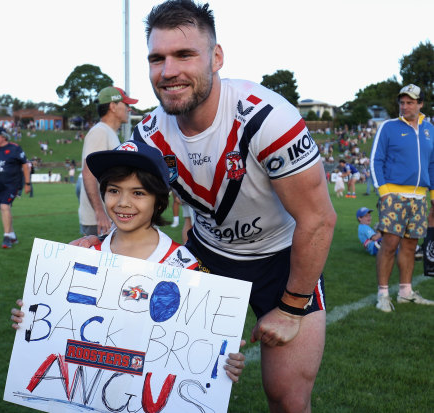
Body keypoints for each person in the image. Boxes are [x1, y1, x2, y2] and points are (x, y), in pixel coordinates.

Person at [73, 2, 336, 411]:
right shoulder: (149, 133)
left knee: (288, 398)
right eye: (157, 58)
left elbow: (318, 219)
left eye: (184, 54)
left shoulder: (268, 119)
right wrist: (100, 243)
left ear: (216, 57)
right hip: (206, 255)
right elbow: (119, 191)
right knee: (169, 382)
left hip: (281, 257)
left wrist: (289, 308)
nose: (168, 70)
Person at [11, 140, 246, 382]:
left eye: (138, 193)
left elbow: (202, 345)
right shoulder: (83, 255)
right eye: (114, 190)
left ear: (159, 199)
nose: (123, 202)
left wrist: (224, 358)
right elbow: (55, 326)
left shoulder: (187, 267)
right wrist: (30, 319)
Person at [370, 83, 434, 312]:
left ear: (420, 104)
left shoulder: (429, 130)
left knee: (410, 246)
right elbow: (376, 159)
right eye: (402, 102)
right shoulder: (388, 127)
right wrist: (384, 192)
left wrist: (433, 195)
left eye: (409, 102)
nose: (404, 106)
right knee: (389, 244)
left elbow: (432, 164)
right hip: (394, 196)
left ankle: (406, 292)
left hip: (420, 199)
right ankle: (383, 294)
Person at [78, 86, 138, 237]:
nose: (129, 110)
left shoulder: (109, 133)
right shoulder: (100, 132)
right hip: (98, 221)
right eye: (126, 105)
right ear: (113, 106)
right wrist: (100, 213)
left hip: (106, 217)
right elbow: (88, 173)